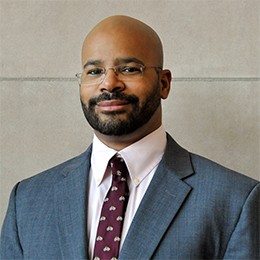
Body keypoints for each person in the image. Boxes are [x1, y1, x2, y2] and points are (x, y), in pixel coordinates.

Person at [0, 15, 259, 260]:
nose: (109, 83)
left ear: (164, 83)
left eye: (129, 69)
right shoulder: (28, 201)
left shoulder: (235, 200)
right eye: (94, 71)